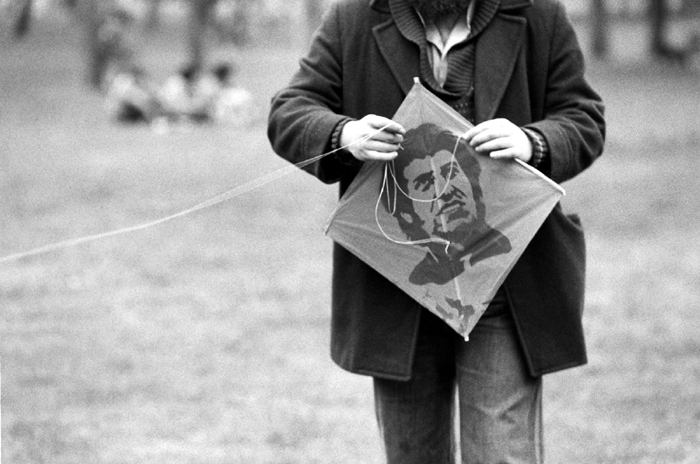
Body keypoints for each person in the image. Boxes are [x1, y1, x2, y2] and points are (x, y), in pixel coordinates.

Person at [268, 0, 605, 462]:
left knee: (501, 454)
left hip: (508, 285)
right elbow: (288, 111)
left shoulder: (539, 14)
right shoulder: (352, 18)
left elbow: (584, 118)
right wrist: (344, 135)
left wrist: (534, 141)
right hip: (396, 286)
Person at [389, 122, 512, 286]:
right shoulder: (419, 280)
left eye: (451, 173)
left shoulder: (510, 248)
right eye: (426, 184)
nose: (446, 192)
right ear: (407, 214)